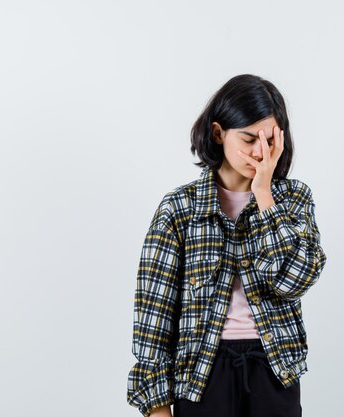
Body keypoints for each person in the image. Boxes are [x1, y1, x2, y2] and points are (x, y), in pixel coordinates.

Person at [126, 74, 327, 417]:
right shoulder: (180, 208)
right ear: (219, 133)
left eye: (269, 140)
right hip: (202, 373)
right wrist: (157, 407)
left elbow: (295, 280)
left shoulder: (293, 200)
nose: (259, 152)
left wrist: (264, 195)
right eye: (249, 139)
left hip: (274, 368)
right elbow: (154, 316)